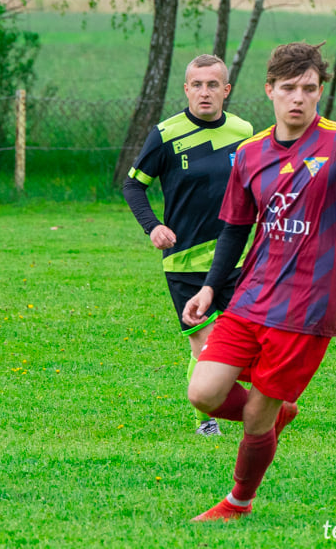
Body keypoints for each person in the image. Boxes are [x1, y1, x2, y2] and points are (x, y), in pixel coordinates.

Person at [182, 42, 336, 520]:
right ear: (269, 91)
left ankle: (239, 502)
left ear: (320, 92)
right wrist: (211, 288)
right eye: (288, 89)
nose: (298, 98)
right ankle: (275, 412)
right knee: (203, 391)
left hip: (308, 307)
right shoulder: (250, 152)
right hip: (251, 296)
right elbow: (235, 228)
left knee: (256, 415)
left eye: (309, 89)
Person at [123, 54, 253, 436]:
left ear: (226, 91)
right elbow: (133, 185)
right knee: (207, 345)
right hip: (185, 262)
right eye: (197, 85)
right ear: (186, 89)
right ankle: (207, 420)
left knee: (247, 343)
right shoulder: (165, 135)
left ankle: (257, 410)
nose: (205, 92)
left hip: (237, 259)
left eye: (213, 85)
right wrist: (153, 226)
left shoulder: (244, 132)